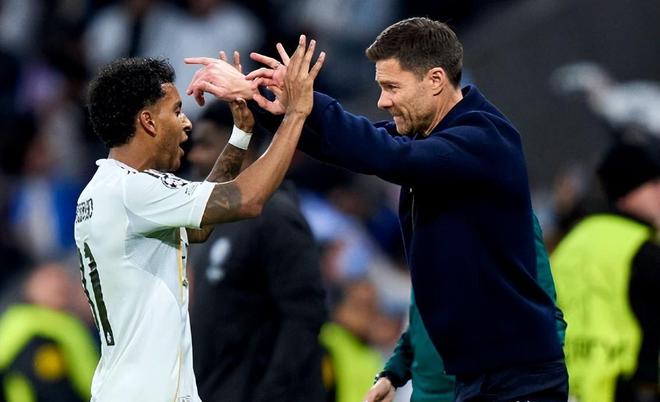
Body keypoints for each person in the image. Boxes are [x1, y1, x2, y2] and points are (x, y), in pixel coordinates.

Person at [186, 17, 567, 400]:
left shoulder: (484, 139)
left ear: (435, 80)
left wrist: (305, 103)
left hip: (518, 377)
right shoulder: (431, 140)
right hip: (479, 375)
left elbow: (383, 153)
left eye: (392, 87)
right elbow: (341, 143)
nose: (383, 101)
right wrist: (262, 98)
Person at [74, 37, 324, 402]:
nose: (187, 123)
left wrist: (241, 135)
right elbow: (249, 199)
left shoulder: (110, 189)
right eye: (176, 111)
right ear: (148, 121)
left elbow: (201, 225)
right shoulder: (132, 192)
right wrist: (296, 115)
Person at [186, 100, 327, 402]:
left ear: (241, 146)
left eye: (205, 144)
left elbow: (305, 315)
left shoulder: (276, 216)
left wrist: (271, 395)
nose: (194, 156)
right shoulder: (209, 220)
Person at [365, 215, 567, 402]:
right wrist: (392, 375)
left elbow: (548, 314)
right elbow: (421, 323)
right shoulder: (427, 223)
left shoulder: (510, 211)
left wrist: (538, 385)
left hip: (488, 390)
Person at [551, 132, 660, 402]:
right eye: (654, 184)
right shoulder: (641, 249)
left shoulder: (568, 245)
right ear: (630, 192)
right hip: (628, 391)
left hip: (568, 390)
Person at [0, 262, 99, 402]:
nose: (57, 284)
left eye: (61, 279)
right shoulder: (20, 320)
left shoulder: (72, 325)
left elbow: (90, 380)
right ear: (31, 287)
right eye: (48, 279)